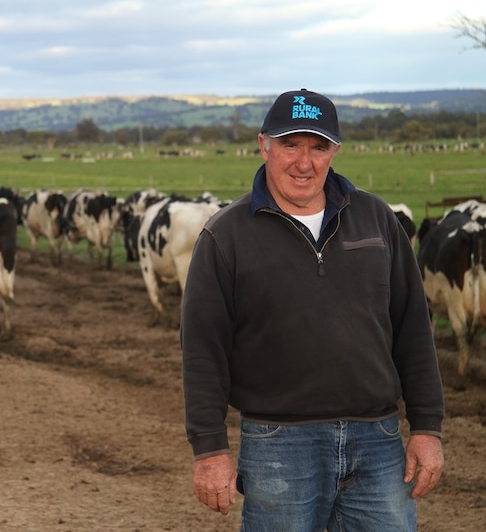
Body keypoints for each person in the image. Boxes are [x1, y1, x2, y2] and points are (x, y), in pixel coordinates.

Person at [180, 89, 445, 531]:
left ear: (335, 151)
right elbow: (202, 350)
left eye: (318, 147)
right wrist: (209, 451)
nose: (304, 163)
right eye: (291, 145)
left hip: (378, 440)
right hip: (279, 445)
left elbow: (414, 328)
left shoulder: (377, 220)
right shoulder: (225, 236)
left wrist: (427, 427)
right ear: (264, 145)